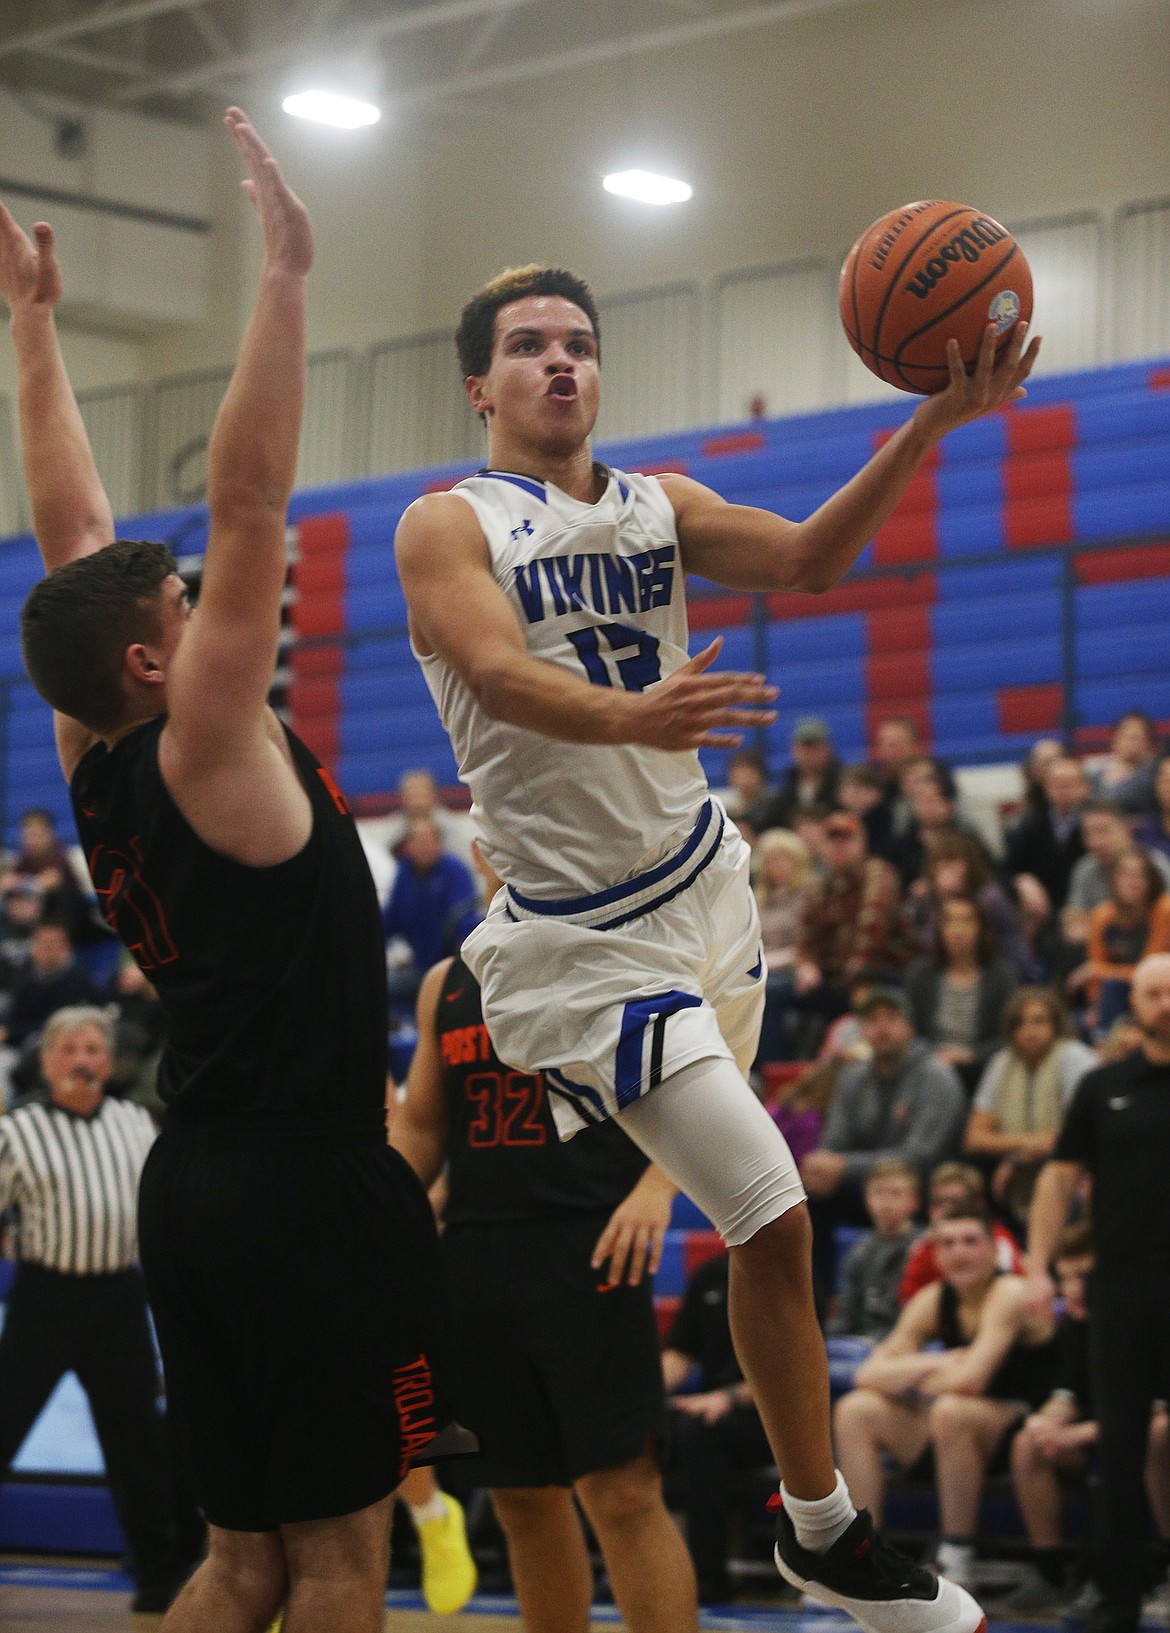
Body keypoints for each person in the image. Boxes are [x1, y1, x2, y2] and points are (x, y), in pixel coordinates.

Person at [396, 254, 1035, 1628]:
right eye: (526, 346)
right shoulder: (445, 523)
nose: (559, 362)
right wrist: (637, 717)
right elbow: (499, 676)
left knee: (773, 1234)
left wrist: (926, 423)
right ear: (478, 384)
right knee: (774, 1204)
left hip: (708, 888)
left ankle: (819, 1535)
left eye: (578, 341)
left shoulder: (659, 505)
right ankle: (823, 1534)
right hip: (579, 940)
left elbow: (807, 559)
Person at [4, 112, 460, 1633]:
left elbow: (71, 530)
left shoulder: (94, 741)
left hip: (190, 1184)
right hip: (307, 1185)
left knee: (239, 1559)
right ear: (158, 657)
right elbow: (254, 501)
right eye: (187, 601)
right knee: (337, 1563)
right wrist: (286, 278)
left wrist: (33, 327)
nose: (209, 597)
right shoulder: (204, 739)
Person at [390, 924, 699, 1631]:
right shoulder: (449, 980)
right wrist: (375, 1212)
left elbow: (702, 1078)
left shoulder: (623, 947)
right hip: (476, 1254)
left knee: (622, 1491)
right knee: (519, 1495)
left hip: (591, 1245)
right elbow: (425, 1127)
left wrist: (658, 1184)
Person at [0, 1007, 185, 1611]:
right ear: (49, 1062)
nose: (82, 1059)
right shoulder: (17, 1131)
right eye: (70, 1049)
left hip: (117, 1302)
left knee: (138, 1452)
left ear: (109, 1061)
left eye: (93, 1049)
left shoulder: (136, 1123)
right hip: (43, 1300)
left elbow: (163, 1212)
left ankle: (159, 1584)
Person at [1026, 952, 1170, 1633]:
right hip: (1124, 1284)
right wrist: (1035, 1266)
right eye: (1152, 992)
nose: (1164, 1002)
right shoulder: (1102, 1085)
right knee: (1119, 1439)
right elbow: (1058, 1179)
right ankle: (1115, 1593)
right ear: (1132, 1003)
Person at [834, 1205, 1056, 1592]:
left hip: (1027, 1430)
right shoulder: (933, 1298)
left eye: (971, 1242)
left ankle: (957, 1554)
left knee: (953, 1410)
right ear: (936, 1254)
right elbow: (866, 1374)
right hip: (951, 1433)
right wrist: (934, 1361)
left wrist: (912, 1377)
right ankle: (866, 1554)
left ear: (993, 1249)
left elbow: (971, 1380)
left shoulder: (1010, 1292)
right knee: (856, 1410)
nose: (959, 1252)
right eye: (948, 1243)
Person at [1001, 1223, 1170, 1615]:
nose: (1071, 1290)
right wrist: (1045, 1423)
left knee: (1158, 1434)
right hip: (1107, 1434)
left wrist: (1079, 1434)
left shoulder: (1155, 1320)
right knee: (1030, 1443)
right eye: (1063, 1278)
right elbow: (1066, 1396)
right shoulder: (1080, 1325)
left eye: (1082, 1277)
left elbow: (1157, 1410)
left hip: (1146, 1432)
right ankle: (1051, 1573)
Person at [798, 988, 966, 1303]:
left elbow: (921, 1156)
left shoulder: (935, 1077)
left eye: (892, 1019)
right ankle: (814, 1304)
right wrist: (824, 1166)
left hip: (925, 1191)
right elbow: (833, 1145)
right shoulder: (852, 1077)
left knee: (902, 1187)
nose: (882, 1028)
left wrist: (845, 1167)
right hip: (867, 1187)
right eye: (873, 1020)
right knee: (808, 1200)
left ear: (911, 1027)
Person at [661, 1249, 772, 1605]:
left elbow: (795, 1373)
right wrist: (638, 1400)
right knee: (635, 1429)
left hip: (772, 1419)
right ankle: (632, 1565)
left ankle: (706, 1577)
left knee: (702, 1433)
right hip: (710, 1409)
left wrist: (728, 1396)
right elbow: (678, 1355)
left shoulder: (788, 1271)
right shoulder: (710, 1275)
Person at [964, 988, 1097, 1225]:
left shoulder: (1075, 1058)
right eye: (1020, 1023)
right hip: (1017, 1183)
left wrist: (1019, 1159)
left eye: (1038, 1021)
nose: (1029, 1031)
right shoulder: (1002, 1063)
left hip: (1072, 1176)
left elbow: (1086, 1131)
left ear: (1056, 1023)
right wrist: (1026, 1148)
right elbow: (975, 1137)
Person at [797, 809, 914, 1012]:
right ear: (823, 847)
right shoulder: (820, 887)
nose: (839, 847)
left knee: (860, 984)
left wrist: (859, 963)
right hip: (835, 978)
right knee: (775, 992)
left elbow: (873, 925)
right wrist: (807, 964)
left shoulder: (878, 874)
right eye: (832, 841)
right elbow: (807, 934)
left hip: (882, 972)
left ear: (862, 844)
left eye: (847, 840)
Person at [905, 896, 1018, 1091]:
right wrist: (934, 1055)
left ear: (981, 928)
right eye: (949, 921)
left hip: (982, 1070)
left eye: (966, 920)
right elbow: (909, 1029)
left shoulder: (1001, 977)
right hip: (928, 1067)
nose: (957, 930)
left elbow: (1009, 1035)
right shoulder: (921, 973)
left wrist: (971, 1054)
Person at [382, 815, 481, 1015]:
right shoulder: (404, 874)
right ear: (408, 845)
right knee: (379, 987)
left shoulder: (455, 871)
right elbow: (389, 921)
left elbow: (465, 921)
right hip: (419, 968)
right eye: (417, 841)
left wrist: (460, 967)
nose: (423, 847)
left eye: (428, 840)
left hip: (451, 970)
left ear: (439, 843)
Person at [1069, 846, 1170, 1032]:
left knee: (1113, 985)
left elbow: (1149, 972)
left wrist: (1100, 971)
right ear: (1113, 881)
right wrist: (1095, 1006)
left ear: (1151, 881)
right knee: (1074, 1021)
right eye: (1125, 876)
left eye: (1139, 876)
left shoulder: (1164, 911)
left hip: (1158, 992)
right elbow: (1094, 978)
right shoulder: (1102, 915)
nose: (1132, 882)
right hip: (1113, 998)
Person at [898, 1162, 1024, 1305]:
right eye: (938, 1202)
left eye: (956, 1202)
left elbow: (1019, 1294)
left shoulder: (999, 1241)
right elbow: (908, 1301)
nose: (946, 1210)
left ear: (978, 1204)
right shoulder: (924, 1245)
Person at [825, 1158, 920, 1342]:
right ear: (866, 1200)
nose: (885, 1202)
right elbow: (845, 1313)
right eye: (878, 1193)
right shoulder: (858, 1251)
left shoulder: (923, 1247)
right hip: (859, 1340)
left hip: (906, 1340)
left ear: (914, 1201)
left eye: (895, 1193)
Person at [1062, 801, 1170, 948]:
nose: (1095, 842)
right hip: (1104, 949)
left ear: (1126, 829)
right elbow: (1073, 925)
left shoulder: (1156, 865)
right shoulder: (1085, 868)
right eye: (1088, 833)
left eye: (1103, 831)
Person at [753, 827, 814, 1063]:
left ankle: (773, 1069)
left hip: (793, 970)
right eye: (769, 860)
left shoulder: (808, 895)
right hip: (763, 967)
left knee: (766, 992)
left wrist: (769, 961)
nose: (774, 866)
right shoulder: (759, 899)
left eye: (780, 859)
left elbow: (806, 945)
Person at [1005, 754, 1089, 919]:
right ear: (1046, 788)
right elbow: (1008, 868)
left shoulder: (1097, 822)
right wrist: (1022, 881)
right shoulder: (1031, 824)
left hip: (1089, 911)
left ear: (1085, 787)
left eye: (1070, 783)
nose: (1064, 789)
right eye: (1057, 783)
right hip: (1043, 912)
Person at [749, 717, 841, 831]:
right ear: (794, 749)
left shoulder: (841, 784)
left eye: (815, 746)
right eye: (804, 747)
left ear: (828, 748)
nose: (809, 753)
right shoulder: (788, 785)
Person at [1088, 711, 1159, 817]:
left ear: (1148, 743)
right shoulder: (1093, 769)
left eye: (1137, 738)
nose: (1132, 743)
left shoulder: (1153, 775)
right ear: (1115, 738)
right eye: (1127, 736)